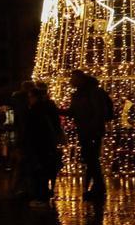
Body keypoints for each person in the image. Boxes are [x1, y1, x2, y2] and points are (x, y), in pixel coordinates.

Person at [65, 70, 114, 201]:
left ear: (80, 79)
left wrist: (94, 127)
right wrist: (55, 110)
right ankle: (95, 188)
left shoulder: (94, 92)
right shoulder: (78, 94)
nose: (70, 80)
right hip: (84, 130)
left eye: (73, 78)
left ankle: (98, 188)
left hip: (92, 131)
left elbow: (100, 111)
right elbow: (73, 112)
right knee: (91, 159)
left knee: (91, 159)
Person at [23, 85, 63, 207]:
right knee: (46, 169)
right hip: (48, 143)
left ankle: (41, 197)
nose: (29, 99)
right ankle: (44, 194)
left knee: (40, 170)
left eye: (30, 97)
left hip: (40, 143)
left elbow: (34, 129)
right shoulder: (47, 107)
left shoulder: (36, 111)